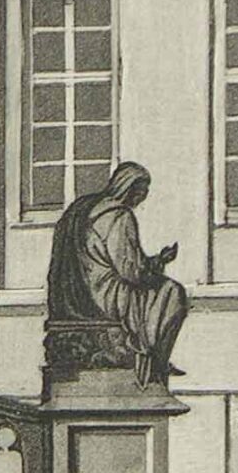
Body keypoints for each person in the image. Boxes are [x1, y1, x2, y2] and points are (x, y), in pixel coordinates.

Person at [46, 160, 189, 388]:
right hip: (105, 293)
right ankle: (155, 360)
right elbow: (131, 273)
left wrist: (153, 263)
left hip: (81, 290)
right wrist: (158, 263)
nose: (141, 198)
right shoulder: (119, 217)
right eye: (140, 192)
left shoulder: (86, 208)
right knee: (174, 293)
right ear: (127, 188)